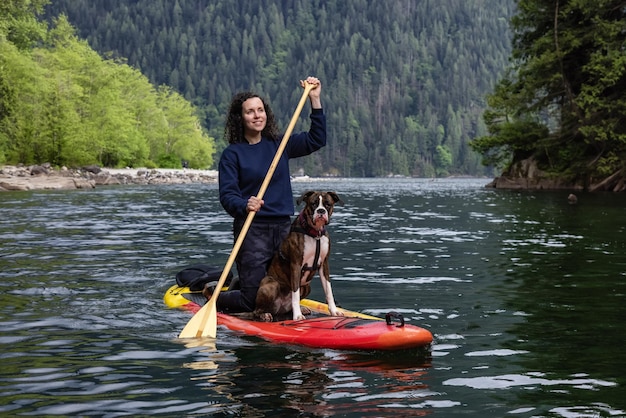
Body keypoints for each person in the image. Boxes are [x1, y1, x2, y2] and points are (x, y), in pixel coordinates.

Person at [211, 76, 326, 313]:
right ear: (240, 118)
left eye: (260, 110)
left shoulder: (279, 144)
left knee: (286, 288)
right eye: (250, 112)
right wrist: (245, 204)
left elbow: (317, 139)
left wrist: (314, 99)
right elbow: (227, 195)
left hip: (285, 229)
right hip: (252, 230)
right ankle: (213, 296)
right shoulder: (232, 155)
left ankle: (256, 290)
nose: (257, 115)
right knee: (252, 302)